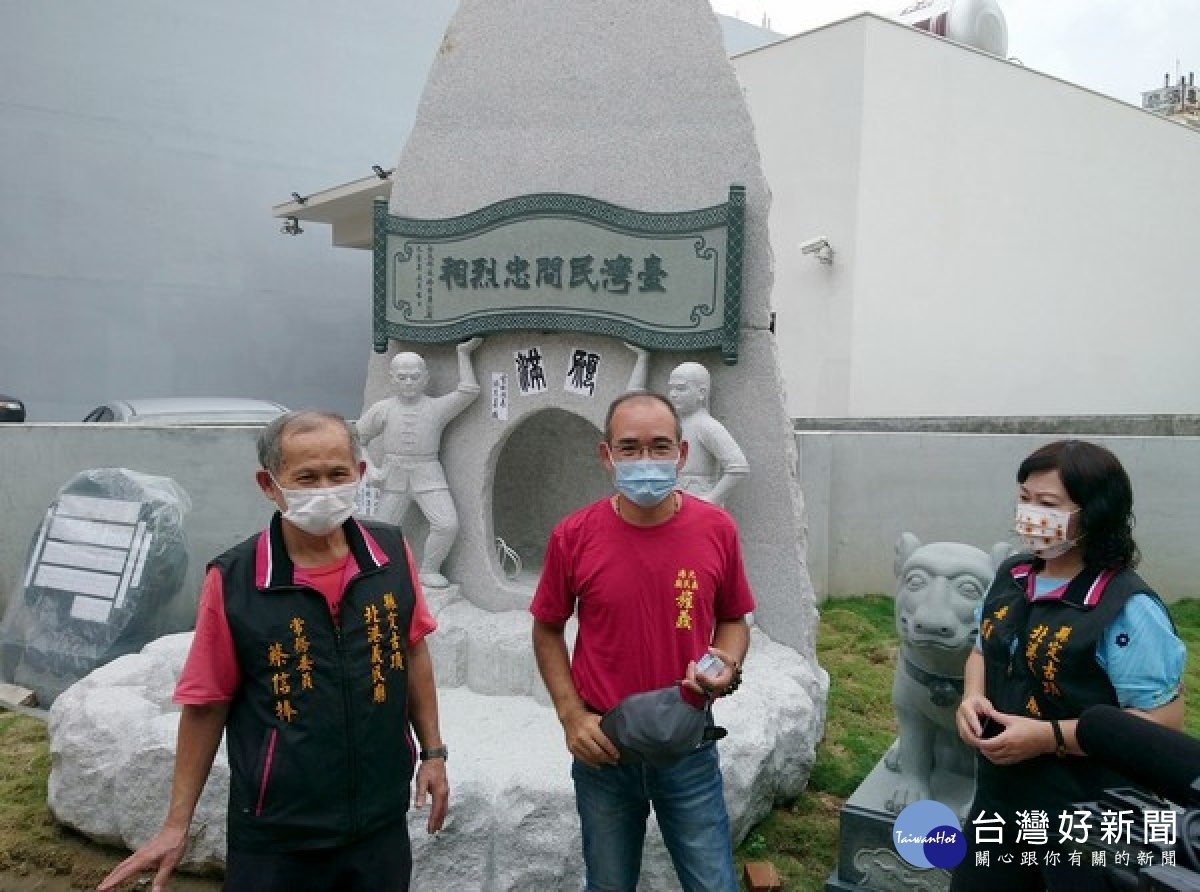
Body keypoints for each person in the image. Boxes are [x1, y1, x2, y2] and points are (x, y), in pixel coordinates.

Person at [97, 410, 449, 892]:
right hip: (278, 834)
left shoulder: (390, 554)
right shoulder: (236, 579)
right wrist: (177, 823)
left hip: (379, 821)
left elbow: (412, 651)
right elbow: (206, 704)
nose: (324, 489)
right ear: (270, 485)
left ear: (361, 473)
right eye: (306, 477)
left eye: (338, 474)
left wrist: (433, 753)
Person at [530, 390, 755, 892]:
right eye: (629, 448)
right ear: (606, 456)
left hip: (689, 743)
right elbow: (547, 628)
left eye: (659, 446)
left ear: (682, 453)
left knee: (713, 883)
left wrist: (727, 663)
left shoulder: (716, 528)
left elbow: (733, 619)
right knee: (609, 884)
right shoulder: (573, 535)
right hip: (604, 746)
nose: (645, 459)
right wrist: (571, 716)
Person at [951, 439, 1186, 892]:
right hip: (1002, 797)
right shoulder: (1012, 576)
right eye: (1024, 498)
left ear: (1094, 513)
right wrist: (972, 696)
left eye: (1047, 504)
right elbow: (983, 647)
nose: (1029, 514)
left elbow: (1164, 723)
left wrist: (1048, 738)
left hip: (1090, 813)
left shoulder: (1128, 609)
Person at [357, 337, 483, 588]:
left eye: (414, 377)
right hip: (393, 475)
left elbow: (469, 391)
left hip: (428, 473)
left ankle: (429, 569)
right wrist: (369, 467)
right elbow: (356, 438)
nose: (408, 383)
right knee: (380, 529)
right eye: (402, 377)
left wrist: (463, 354)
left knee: (447, 524)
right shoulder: (383, 409)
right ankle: (377, 571)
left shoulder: (436, 408)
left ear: (425, 378)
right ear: (392, 379)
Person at [624, 346, 748, 506]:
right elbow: (632, 404)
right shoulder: (669, 423)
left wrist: (711, 499)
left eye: (681, 388)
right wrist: (643, 358)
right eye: (671, 388)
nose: (673, 394)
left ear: (701, 393)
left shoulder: (706, 425)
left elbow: (738, 467)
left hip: (695, 505)